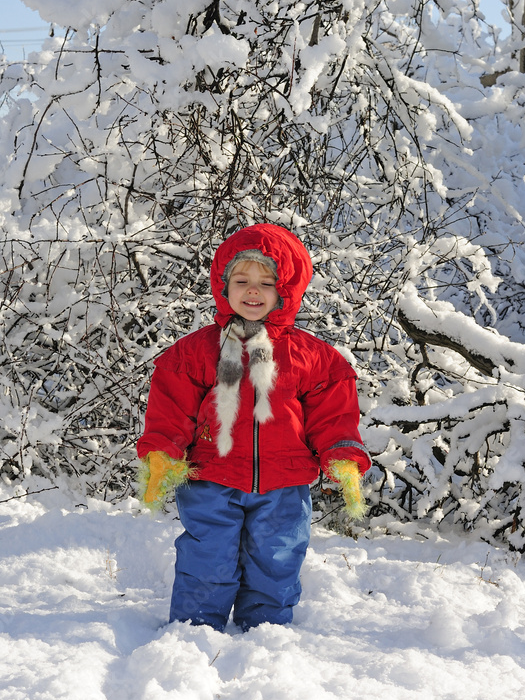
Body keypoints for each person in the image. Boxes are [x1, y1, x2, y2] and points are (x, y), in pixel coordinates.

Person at [137, 223, 371, 631]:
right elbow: (171, 408)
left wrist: (343, 455)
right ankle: (194, 632)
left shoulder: (312, 357)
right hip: (211, 477)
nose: (252, 290)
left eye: (266, 282)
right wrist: (163, 453)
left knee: (277, 559)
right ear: (223, 285)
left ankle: (264, 633)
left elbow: (333, 413)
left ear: (285, 291)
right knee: (207, 556)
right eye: (241, 280)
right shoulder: (196, 351)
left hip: (284, 484)